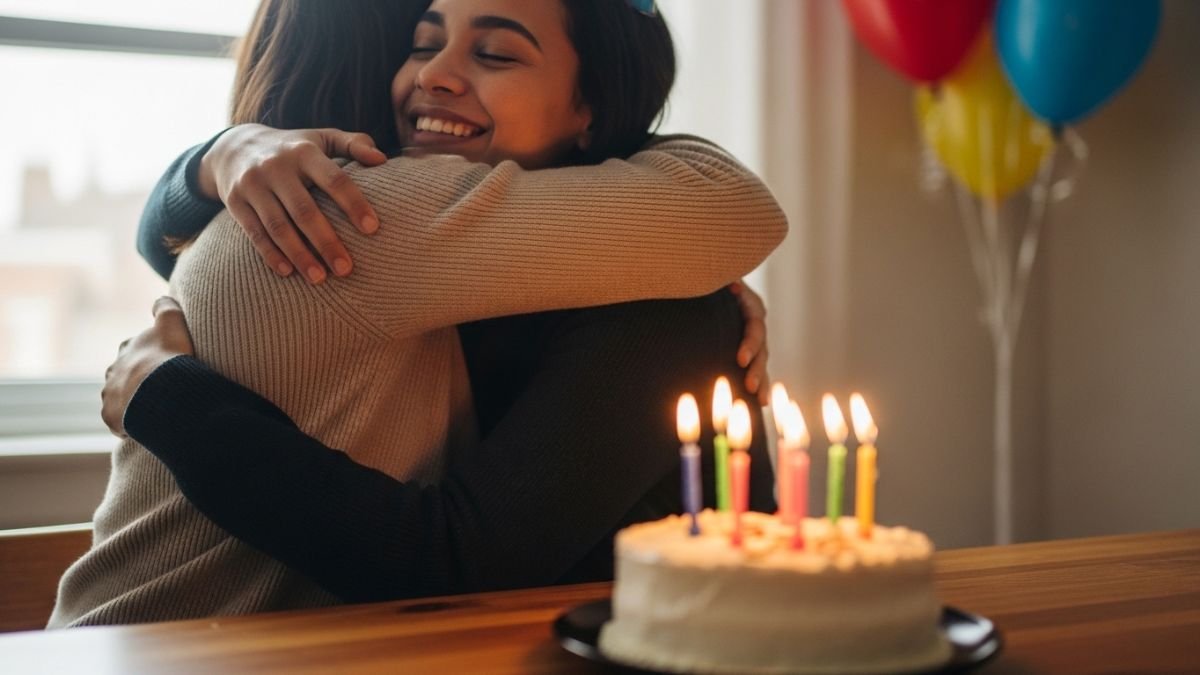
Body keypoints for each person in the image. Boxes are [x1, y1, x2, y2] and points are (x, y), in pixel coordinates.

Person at [52, 0, 784, 627]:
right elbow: (733, 202)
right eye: (421, 42)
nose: (434, 73)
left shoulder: (319, 204)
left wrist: (211, 164)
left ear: (591, 106)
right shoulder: (361, 211)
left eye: (494, 52)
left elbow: (458, 561)